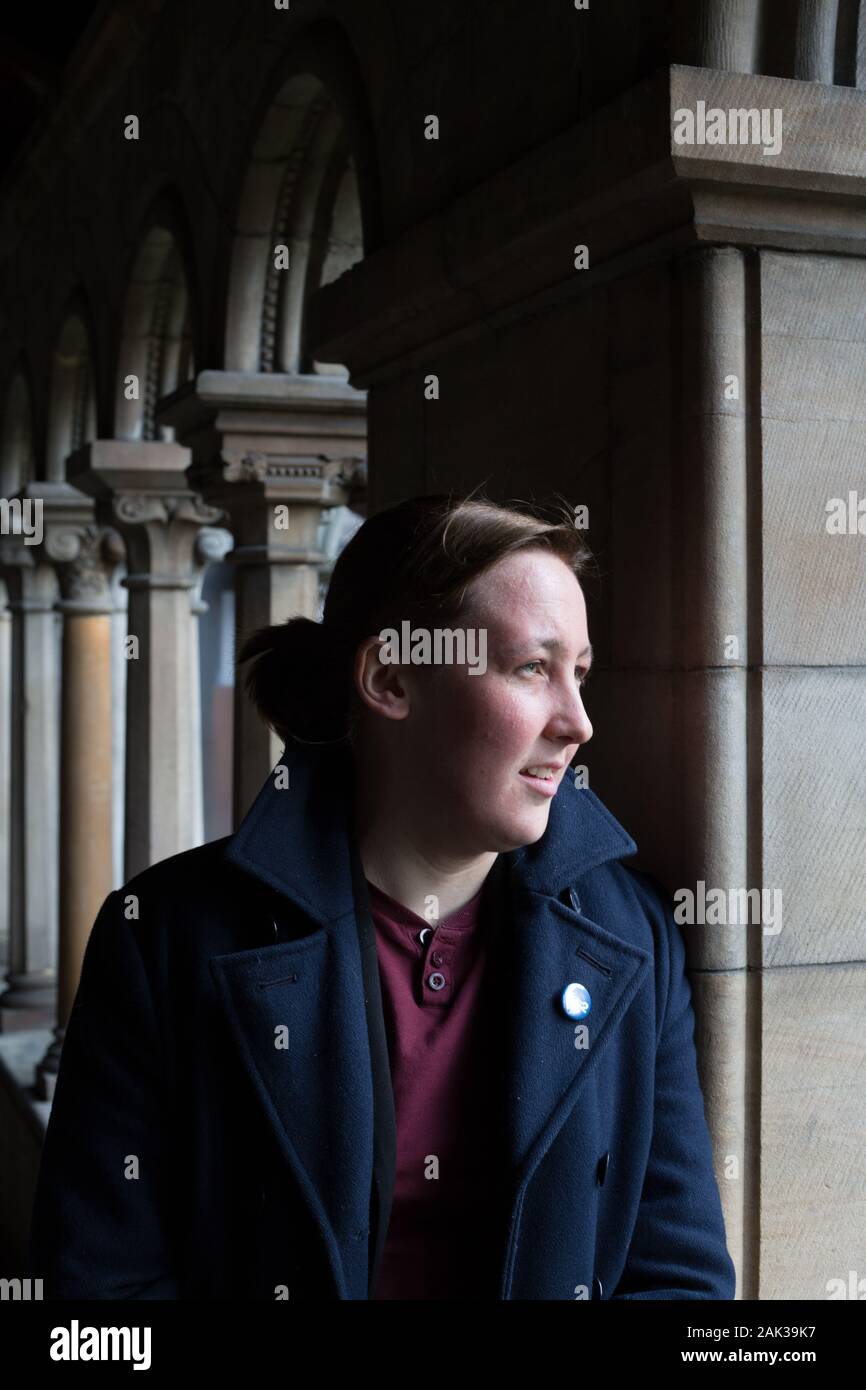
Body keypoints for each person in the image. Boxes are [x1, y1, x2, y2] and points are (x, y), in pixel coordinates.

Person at [28, 491, 736, 1300]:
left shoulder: (632, 938)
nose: (578, 722)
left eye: (579, 673)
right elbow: (99, 1298)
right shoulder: (164, 939)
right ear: (390, 677)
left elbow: (677, 1281)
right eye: (532, 668)